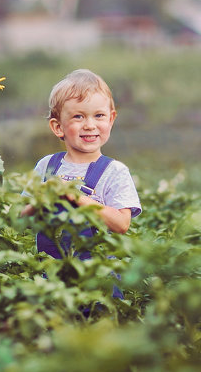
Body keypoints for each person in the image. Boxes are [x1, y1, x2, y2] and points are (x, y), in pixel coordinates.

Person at [21, 69, 141, 258]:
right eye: (78, 116)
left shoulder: (114, 171)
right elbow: (21, 220)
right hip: (49, 273)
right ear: (58, 127)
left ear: (111, 119)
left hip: (96, 275)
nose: (89, 125)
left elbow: (121, 224)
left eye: (99, 116)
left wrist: (74, 197)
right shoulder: (47, 166)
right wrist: (41, 200)